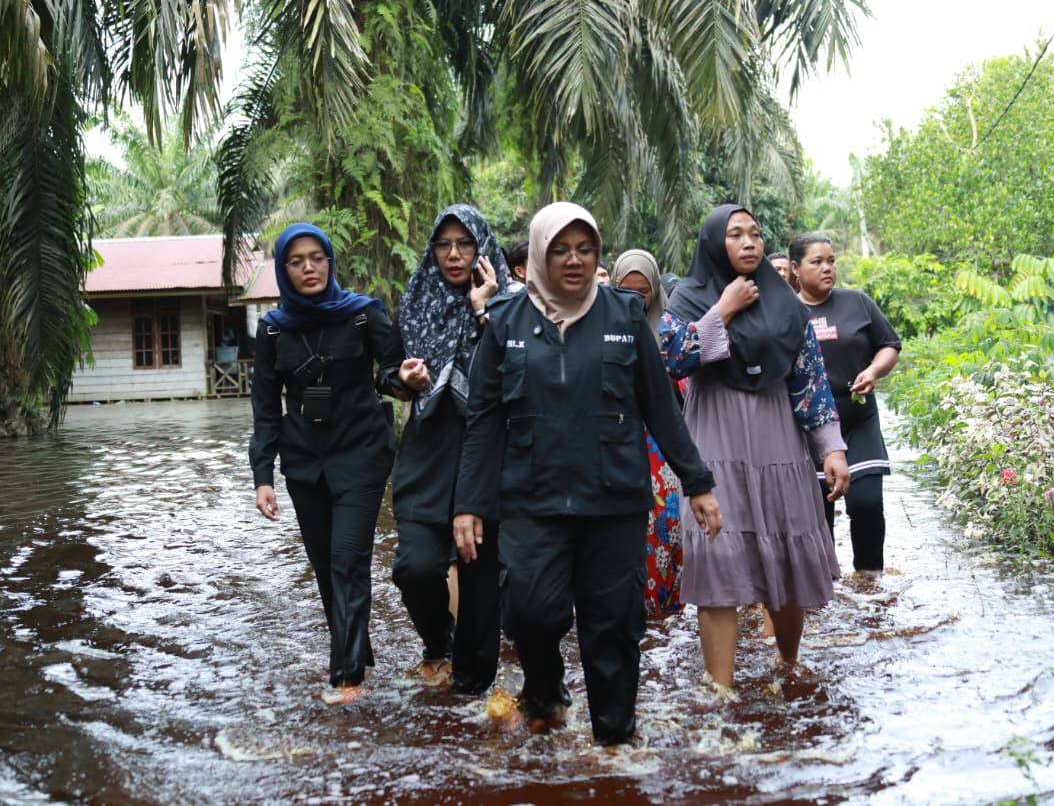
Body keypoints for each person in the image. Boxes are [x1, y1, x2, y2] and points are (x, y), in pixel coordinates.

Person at [452, 202, 722, 746]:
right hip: (532, 500)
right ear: (537, 254)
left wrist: (698, 483)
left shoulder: (623, 316)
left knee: (614, 626)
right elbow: (483, 421)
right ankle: (546, 689)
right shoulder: (505, 322)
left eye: (585, 249)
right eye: (560, 250)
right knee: (529, 612)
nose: (574, 260)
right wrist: (468, 503)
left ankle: (614, 743)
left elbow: (659, 407)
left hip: (614, 501)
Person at [662, 204, 850, 691]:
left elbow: (809, 378)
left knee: (785, 555)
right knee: (718, 559)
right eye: (735, 235)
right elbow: (670, 357)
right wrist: (723, 308)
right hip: (715, 440)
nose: (749, 243)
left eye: (756, 234)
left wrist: (830, 448)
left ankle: (787, 666)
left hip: (778, 442)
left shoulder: (785, 303)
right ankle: (720, 691)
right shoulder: (689, 296)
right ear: (712, 244)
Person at [249, 223, 413, 704]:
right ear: (284, 269)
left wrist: (401, 379)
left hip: (361, 454)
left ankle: (347, 678)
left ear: (330, 261)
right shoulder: (275, 328)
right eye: (296, 261)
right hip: (304, 463)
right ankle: (354, 647)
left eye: (316, 257)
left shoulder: (362, 316)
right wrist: (263, 477)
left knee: (348, 560)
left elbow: (390, 370)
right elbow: (265, 408)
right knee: (324, 564)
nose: (308, 267)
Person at [392, 204, 510, 694]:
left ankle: (470, 691)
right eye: (445, 244)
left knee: (481, 582)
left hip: (485, 457)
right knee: (414, 568)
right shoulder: (415, 300)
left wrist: (484, 306)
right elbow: (389, 370)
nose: (455, 254)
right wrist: (404, 379)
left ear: (482, 248)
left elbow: (512, 366)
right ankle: (439, 641)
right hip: (427, 455)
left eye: (465, 244)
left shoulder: (511, 303)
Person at [790, 233, 901, 572]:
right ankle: (825, 588)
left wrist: (873, 370)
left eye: (831, 261)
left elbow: (889, 345)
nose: (827, 268)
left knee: (867, 504)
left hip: (858, 416)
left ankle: (870, 583)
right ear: (795, 268)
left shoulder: (857, 302)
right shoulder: (785, 312)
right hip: (807, 427)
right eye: (817, 262)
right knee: (817, 513)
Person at [612, 248, 683, 618]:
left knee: (666, 524)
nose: (636, 299)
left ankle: (664, 612)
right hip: (616, 444)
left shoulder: (669, 332)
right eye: (628, 289)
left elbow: (683, 394)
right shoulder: (601, 329)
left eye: (644, 291)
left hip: (660, 448)